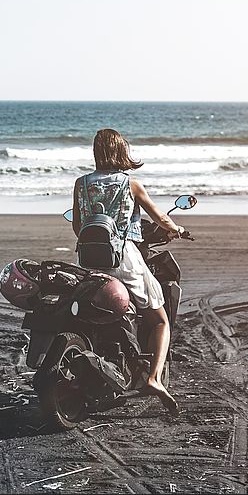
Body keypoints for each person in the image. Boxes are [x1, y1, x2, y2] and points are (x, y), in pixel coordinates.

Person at [72, 128, 184, 416]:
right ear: (122, 152)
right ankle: (153, 378)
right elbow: (160, 217)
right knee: (159, 320)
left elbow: (77, 225)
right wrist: (178, 230)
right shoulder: (131, 185)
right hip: (125, 259)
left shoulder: (81, 184)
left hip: (88, 262)